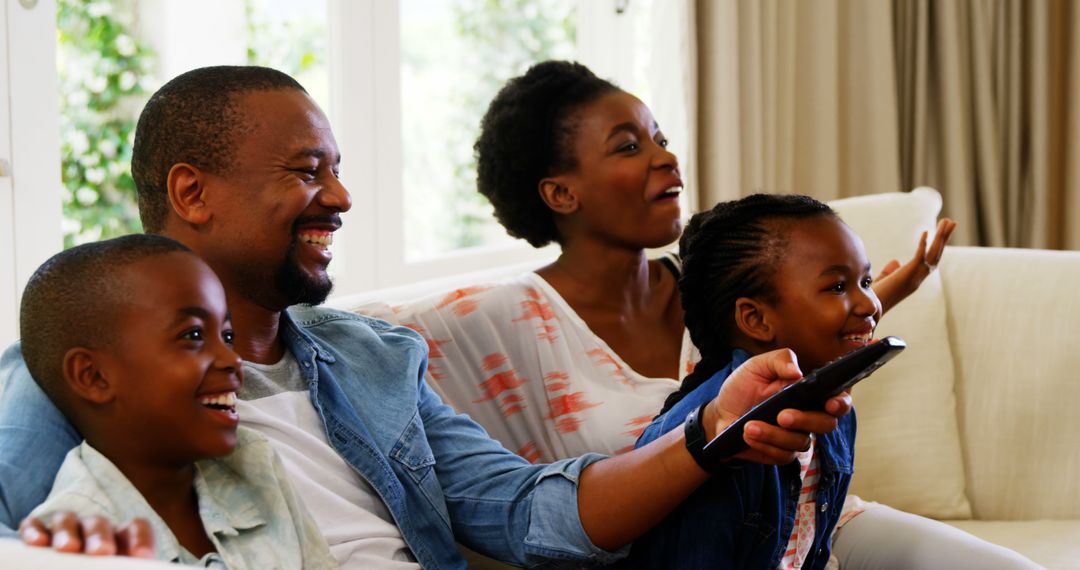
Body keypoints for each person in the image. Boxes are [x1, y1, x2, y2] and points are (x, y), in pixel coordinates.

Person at [0, 65, 851, 569]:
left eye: (335, 170)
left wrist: (710, 428)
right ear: (192, 192)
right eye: (307, 172)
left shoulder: (371, 359)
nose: (339, 197)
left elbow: (526, 511)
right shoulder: (73, 371)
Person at [394, 60, 1032, 568]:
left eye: (661, 139)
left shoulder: (708, 284)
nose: (665, 157)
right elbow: (361, 346)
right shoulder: (502, 317)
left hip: (808, 525)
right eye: (628, 147)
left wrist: (883, 292)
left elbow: (796, 335)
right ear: (562, 192)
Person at [18, 234, 334, 568]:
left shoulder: (254, 462)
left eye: (227, 336)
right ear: (93, 377)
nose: (232, 359)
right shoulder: (66, 546)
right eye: (193, 335)